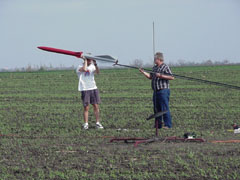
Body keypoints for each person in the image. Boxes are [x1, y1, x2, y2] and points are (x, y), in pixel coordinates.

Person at [139, 52, 174, 129]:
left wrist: (161, 75)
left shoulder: (165, 67)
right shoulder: (154, 68)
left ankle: (167, 125)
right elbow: (150, 76)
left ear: (159, 59)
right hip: (155, 91)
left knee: (164, 108)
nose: (154, 60)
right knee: (156, 109)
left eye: (155, 58)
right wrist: (143, 72)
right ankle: (158, 125)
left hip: (163, 91)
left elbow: (171, 77)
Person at [76, 56, 103, 130]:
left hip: (93, 88)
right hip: (85, 89)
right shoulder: (79, 67)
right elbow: (84, 69)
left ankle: (97, 123)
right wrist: (85, 60)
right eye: (89, 60)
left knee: (96, 106)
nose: (90, 61)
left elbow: (97, 72)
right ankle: (86, 124)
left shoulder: (92, 66)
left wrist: (95, 64)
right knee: (86, 107)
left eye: (90, 59)